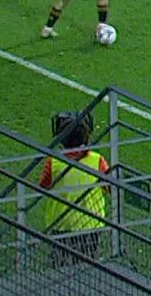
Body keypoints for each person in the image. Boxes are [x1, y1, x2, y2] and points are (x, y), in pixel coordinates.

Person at [36, 111, 110, 260]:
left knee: (60, 263)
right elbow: (110, 188)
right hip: (90, 224)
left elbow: (42, 186)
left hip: (61, 224)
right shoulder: (98, 160)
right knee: (88, 263)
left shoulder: (53, 162)